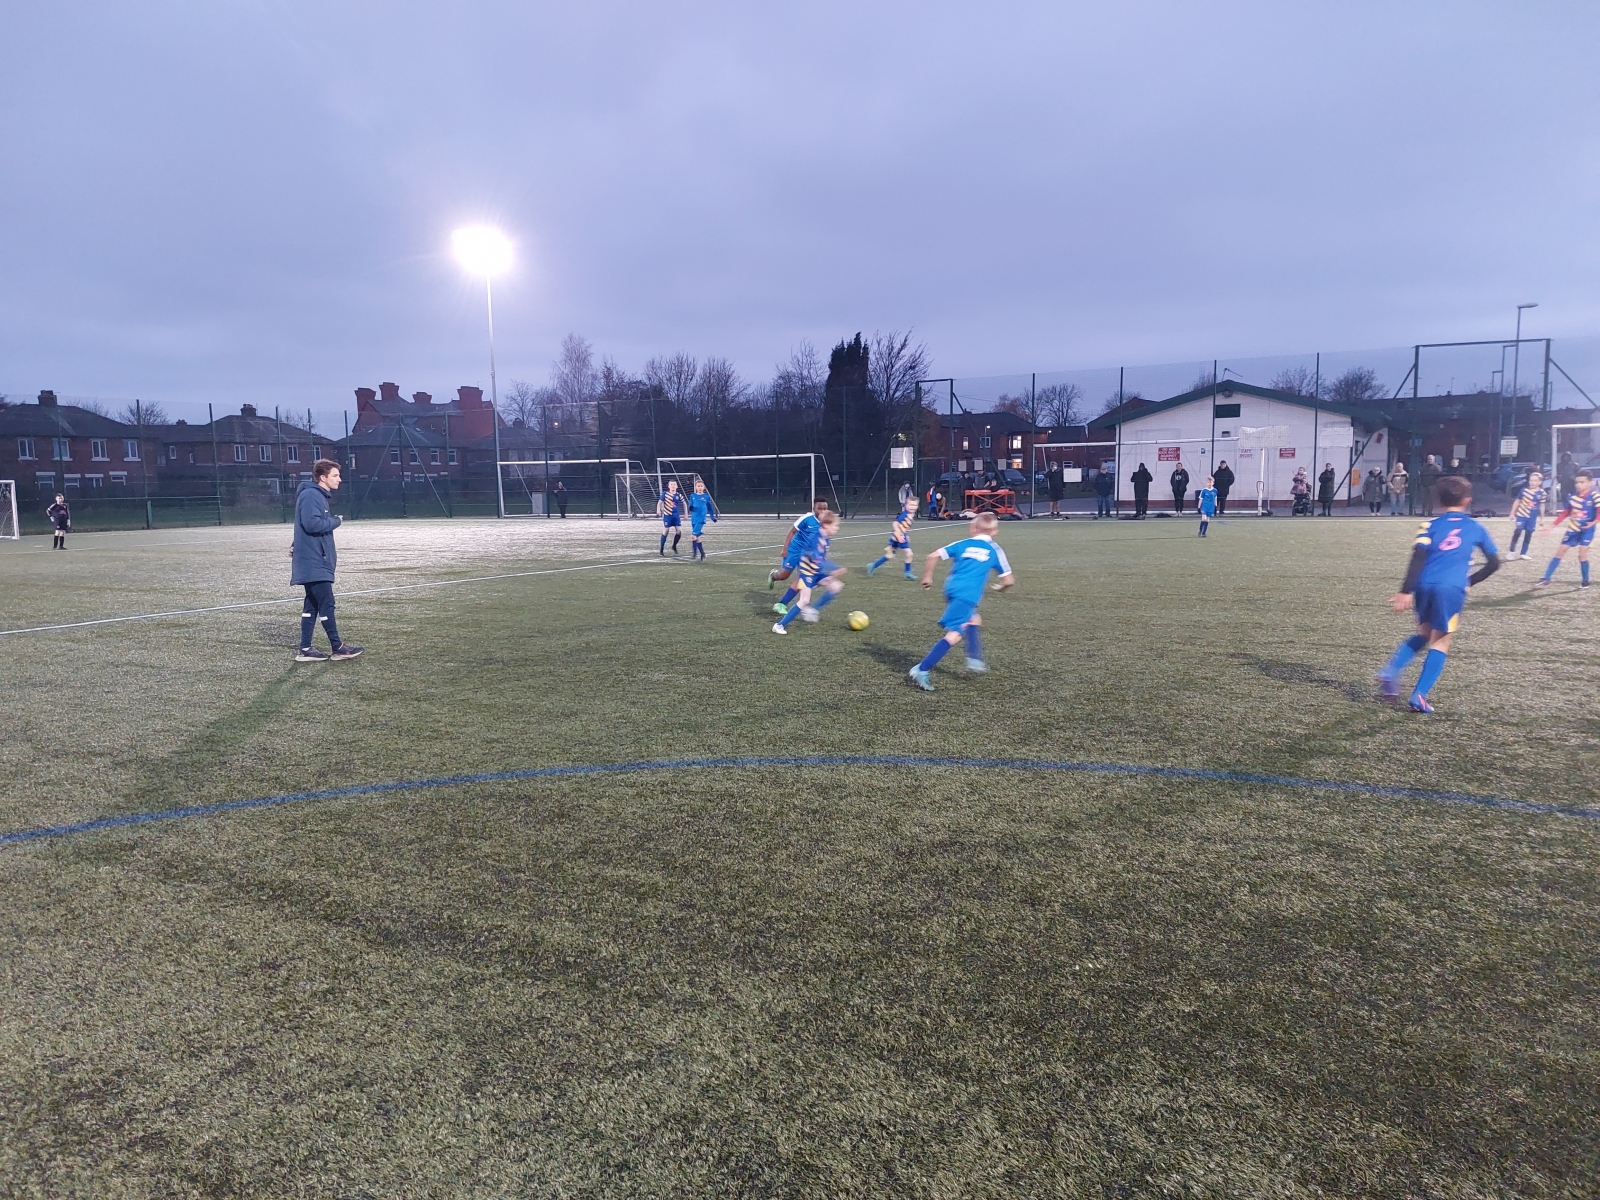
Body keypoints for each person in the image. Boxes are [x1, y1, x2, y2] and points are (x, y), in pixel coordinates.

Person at [1375, 475, 1498, 712]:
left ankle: (1390, 671)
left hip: (1423, 585)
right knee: (1441, 640)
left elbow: (1418, 557)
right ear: (1467, 500)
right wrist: (1470, 581)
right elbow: (1494, 563)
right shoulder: (1475, 527)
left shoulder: (1429, 525)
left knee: (1424, 632)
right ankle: (1419, 695)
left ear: (1439, 501)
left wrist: (1405, 591)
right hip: (1450, 588)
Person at [908, 512, 1015, 690]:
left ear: (973, 528)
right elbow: (1009, 581)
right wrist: (1001, 588)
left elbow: (932, 556)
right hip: (968, 594)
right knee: (955, 633)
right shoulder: (995, 550)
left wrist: (927, 577)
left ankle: (974, 656)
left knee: (974, 619)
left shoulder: (963, 544)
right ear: (995, 531)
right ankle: (922, 669)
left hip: (951, 589)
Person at [292, 459, 363, 662]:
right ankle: (337, 647)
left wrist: (296, 544)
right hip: (316, 561)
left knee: (312, 605)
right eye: (335, 475)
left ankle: (305, 649)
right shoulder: (311, 495)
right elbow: (312, 524)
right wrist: (336, 521)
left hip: (314, 558)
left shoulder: (316, 495)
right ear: (323, 477)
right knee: (326, 603)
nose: (339, 479)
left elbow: (306, 526)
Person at [773, 511, 845, 633]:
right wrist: (834, 568)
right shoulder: (815, 538)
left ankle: (812, 610)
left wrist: (832, 569)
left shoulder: (826, 540)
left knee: (836, 586)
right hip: (806, 574)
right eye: (835, 525)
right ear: (826, 525)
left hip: (816, 573)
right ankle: (779, 625)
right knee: (804, 600)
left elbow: (821, 559)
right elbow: (815, 558)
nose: (837, 528)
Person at [1535, 470, 1597, 590]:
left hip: (1587, 530)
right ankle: (1546, 578)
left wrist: (1593, 523)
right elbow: (1565, 513)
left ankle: (1585, 581)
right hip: (1573, 529)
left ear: (1589, 483)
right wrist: (1551, 526)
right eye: (1577, 482)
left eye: (1582, 482)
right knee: (1560, 551)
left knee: (1582, 554)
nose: (1578, 485)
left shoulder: (1594, 496)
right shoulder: (1573, 498)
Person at [769, 499, 830, 611]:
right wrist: (785, 549)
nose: (822, 511)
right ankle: (773, 576)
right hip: (795, 550)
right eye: (820, 508)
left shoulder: (826, 523)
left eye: (825, 508)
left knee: (801, 579)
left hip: (808, 555)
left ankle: (781, 604)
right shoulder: (807, 518)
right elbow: (792, 531)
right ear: (814, 509)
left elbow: (823, 541)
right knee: (784, 575)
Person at [868, 490, 916, 579]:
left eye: (915, 505)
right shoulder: (904, 514)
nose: (913, 507)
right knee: (909, 554)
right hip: (898, 537)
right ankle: (907, 572)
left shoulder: (911, 514)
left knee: (890, 555)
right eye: (911, 505)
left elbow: (904, 526)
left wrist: (906, 534)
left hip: (897, 537)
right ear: (906, 505)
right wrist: (899, 535)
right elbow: (895, 523)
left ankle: (873, 565)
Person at [1506, 471, 1546, 560]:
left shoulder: (1542, 493)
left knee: (1528, 534)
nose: (1532, 482)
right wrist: (1512, 513)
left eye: (1535, 481)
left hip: (1532, 517)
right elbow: (1517, 501)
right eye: (1531, 480)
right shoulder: (1524, 491)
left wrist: (1542, 518)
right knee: (1518, 531)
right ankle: (1511, 551)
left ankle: (1523, 553)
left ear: (1540, 482)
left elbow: (1542, 505)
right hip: (1521, 515)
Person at [687, 478, 718, 561]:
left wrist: (712, 517)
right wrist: (690, 508)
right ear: (696, 487)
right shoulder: (692, 496)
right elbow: (690, 505)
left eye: (701, 486)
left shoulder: (706, 497)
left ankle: (694, 554)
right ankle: (702, 554)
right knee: (697, 537)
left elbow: (709, 508)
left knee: (693, 536)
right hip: (694, 518)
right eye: (698, 486)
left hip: (701, 519)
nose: (700, 487)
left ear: (704, 487)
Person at [657, 478, 686, 555]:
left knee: (679, 531)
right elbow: (659, 503)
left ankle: (674, 546)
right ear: (669, 486)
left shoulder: (679, 495)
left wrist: (686, 514)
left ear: (677, 486)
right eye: (671, 484)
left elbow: (684, 503)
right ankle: (661, 549)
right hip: (667, 516)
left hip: (676, 516)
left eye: (674, 484)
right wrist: (658, 510)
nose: (673, 486)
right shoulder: (665, 494)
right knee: (666, 531)